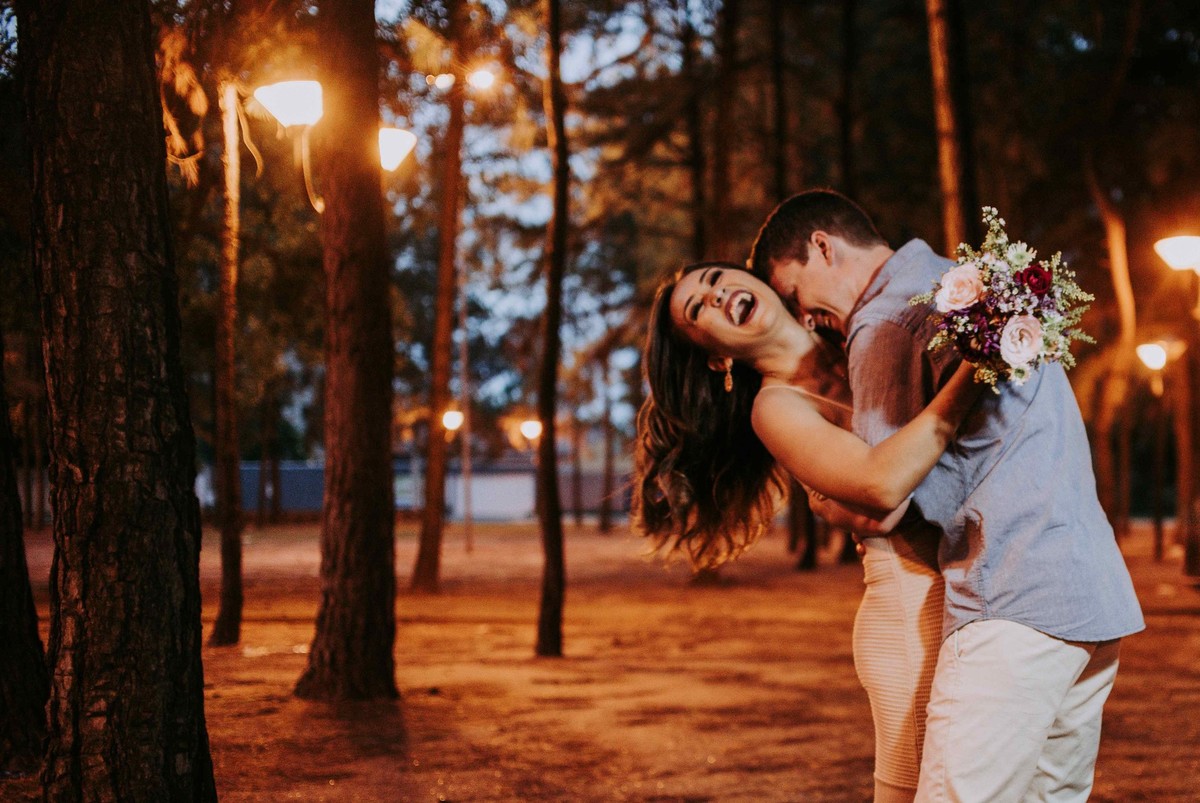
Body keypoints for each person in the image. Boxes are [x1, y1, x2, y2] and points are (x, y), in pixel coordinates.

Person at [749, 189, 1144, 802]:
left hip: (1009, 598)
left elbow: (888, 493)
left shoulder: (881, 324)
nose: (807, 317)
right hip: (1091, 596)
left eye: (798, 294)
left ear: (822, 247)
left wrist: (832, 501)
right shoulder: (974, 285)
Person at [634, 259, 980, 801]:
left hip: (972, 597)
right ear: (717, 354)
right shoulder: (775, 408)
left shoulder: (863, 337)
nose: (716, 293)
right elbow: (883, 501)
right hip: (910, 617)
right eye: (698, 308)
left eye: (715, 278)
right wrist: (979, 368)